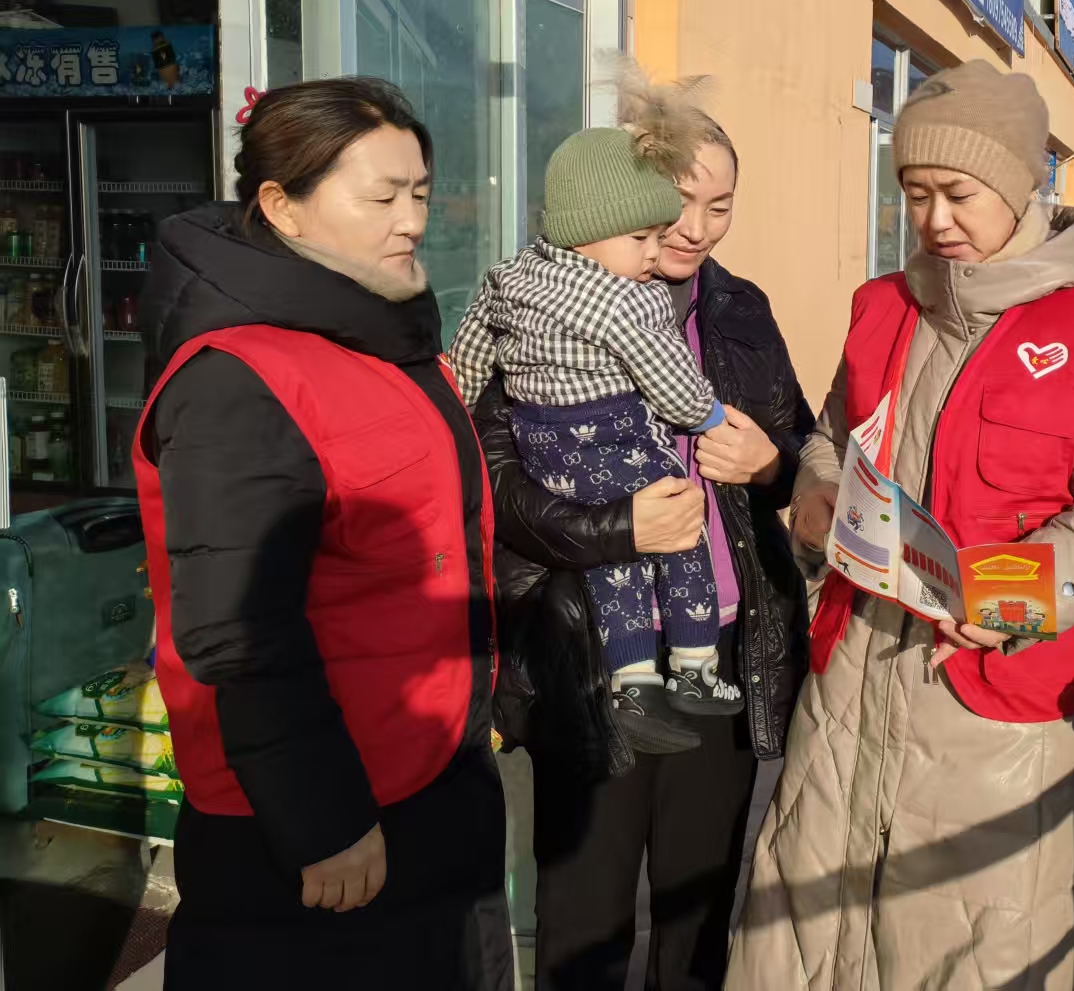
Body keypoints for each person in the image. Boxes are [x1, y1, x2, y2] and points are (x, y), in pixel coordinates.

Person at [728, 59, 1074, 989]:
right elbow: (834, 435)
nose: (934, 220)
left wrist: (1009, 594)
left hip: (995, 707)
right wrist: (817, 488)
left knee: (974, 943)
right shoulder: (880, 306)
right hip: (853, 681)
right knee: (818, 927)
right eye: (916, 192)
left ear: (1019, 184)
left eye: (959, 194)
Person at [135, 78, 510, 990]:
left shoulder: (383, 335)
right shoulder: (239, 375)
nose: (412, 220)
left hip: (429, 777)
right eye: (381, 197)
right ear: (281, 205)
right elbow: (239, 627)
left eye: (420, 192)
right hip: (321, 826)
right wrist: (324, 820)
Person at [476, 81, 814, 990]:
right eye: (680, 200)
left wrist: (771, 465)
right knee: (583, 918)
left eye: (721, 205)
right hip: (591, 655)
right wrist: (616, 527)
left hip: (721, 648)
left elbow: (802, 447)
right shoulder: (540, 304)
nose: (696, 228)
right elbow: (495, 481)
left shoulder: (741, 310)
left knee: (696, 911)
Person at [450, 92, 747, 755]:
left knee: (618, 566)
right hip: (610, 442)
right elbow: (672, 386)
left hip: (548, 449)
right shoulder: (626, 301)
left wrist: (459, 401)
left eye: (719, 207)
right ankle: (694, 665)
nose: (665, 245)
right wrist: (709, 417)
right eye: (646, 234)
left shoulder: (509, 278)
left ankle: (634, 681)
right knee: (680, 534)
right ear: (593, 226)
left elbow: (468, 355)